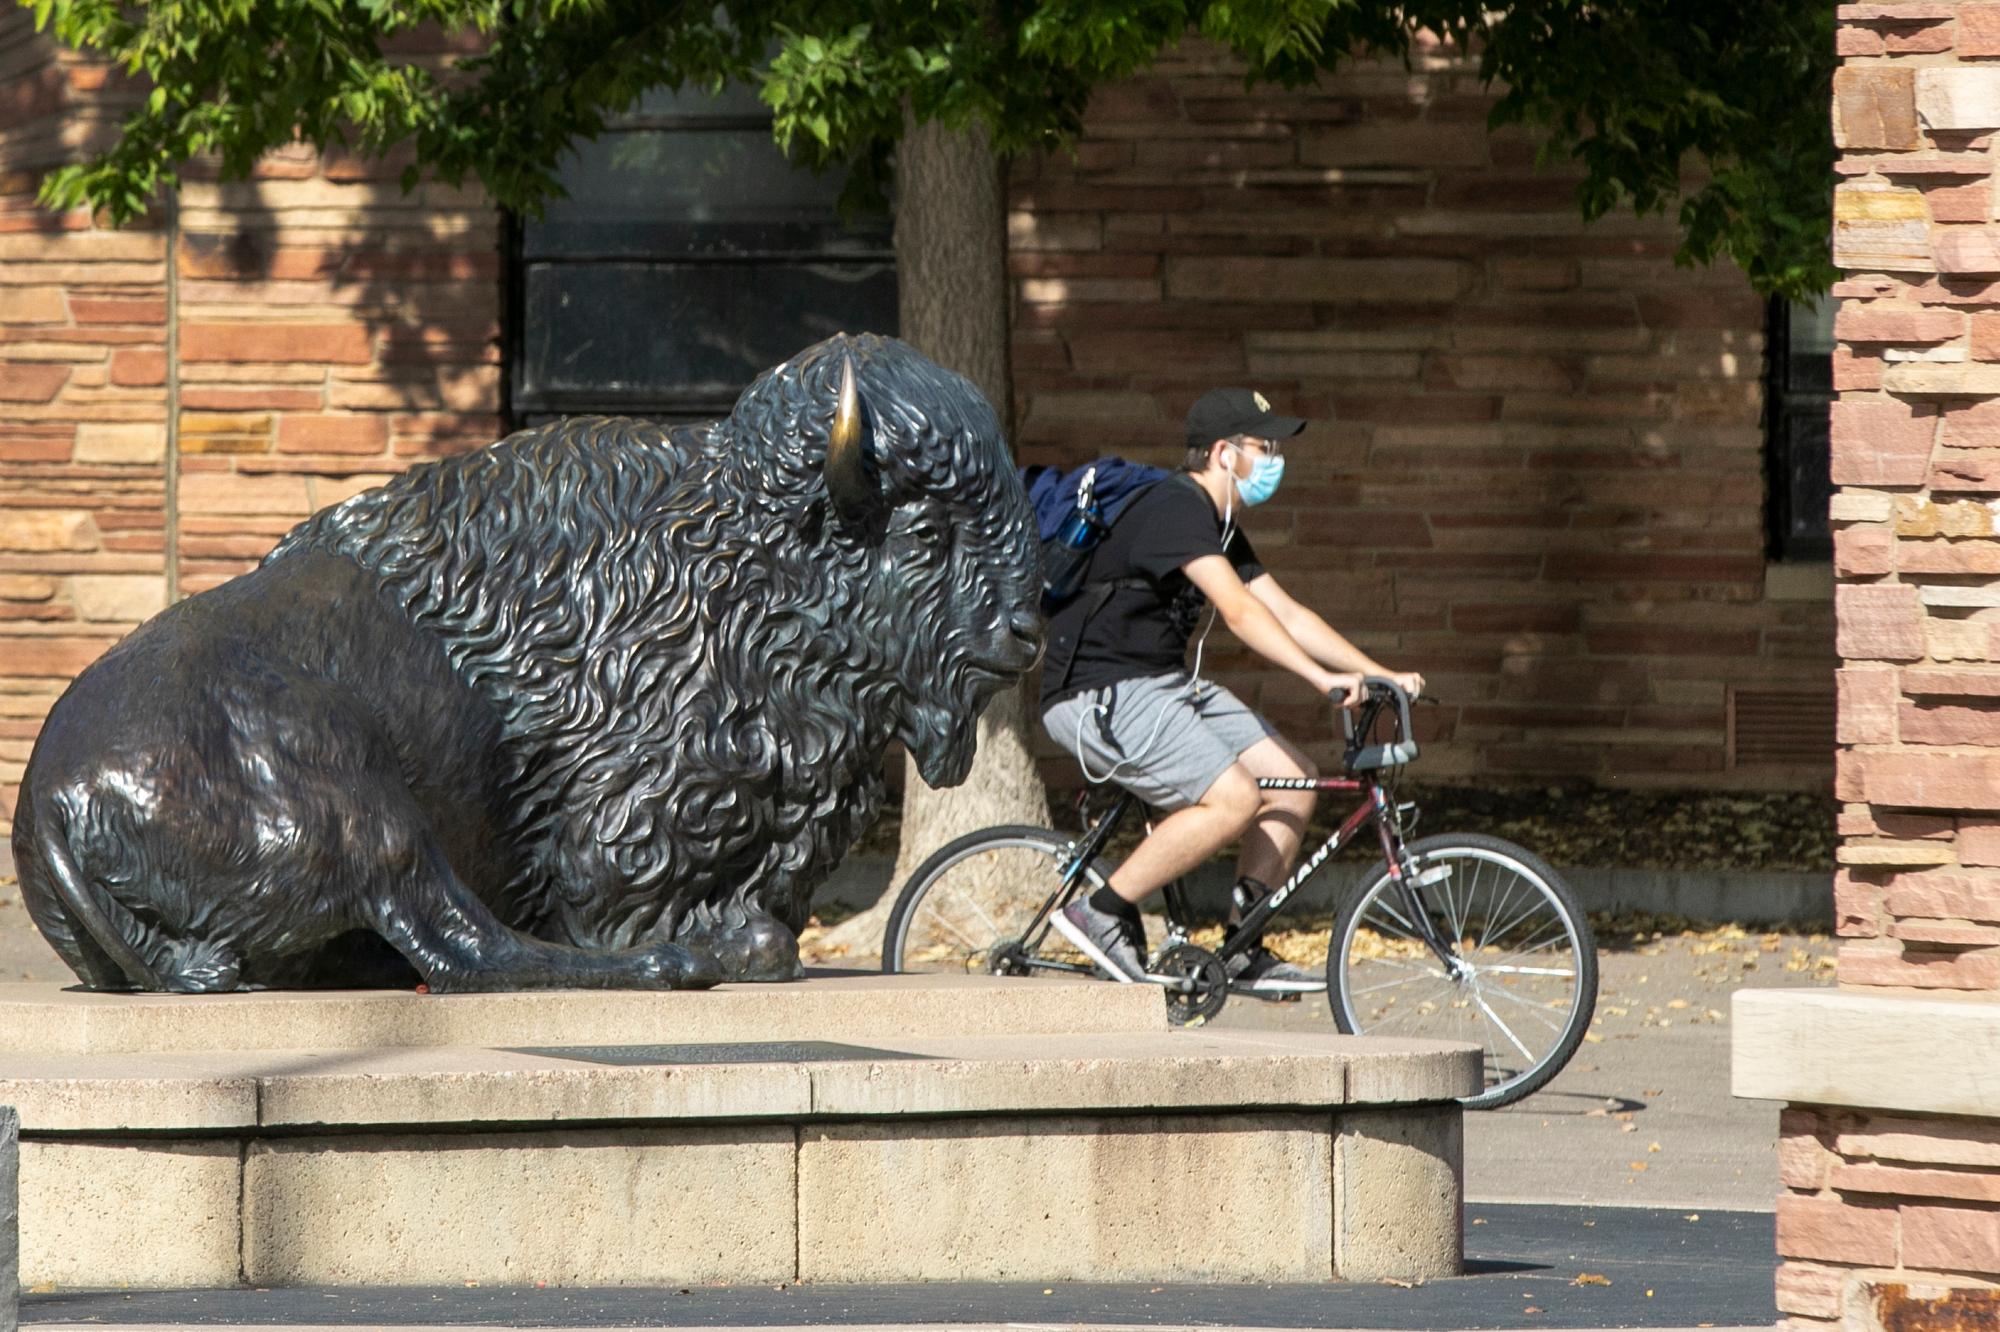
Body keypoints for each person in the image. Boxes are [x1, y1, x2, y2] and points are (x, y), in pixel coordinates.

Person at [1039, 388, 1425, 994]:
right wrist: (1321, 680)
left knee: (1292, 782)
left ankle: (1244, 945)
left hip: (1163, 687)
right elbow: (1241, 612)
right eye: (1262, 447)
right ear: (1223, 453)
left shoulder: (1221, 527)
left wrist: (1376, 672)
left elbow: (1288, 613)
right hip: (1100, 693)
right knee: (1234, 798)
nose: (1273, 459)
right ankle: (1102, 911)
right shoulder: (1175, 506)